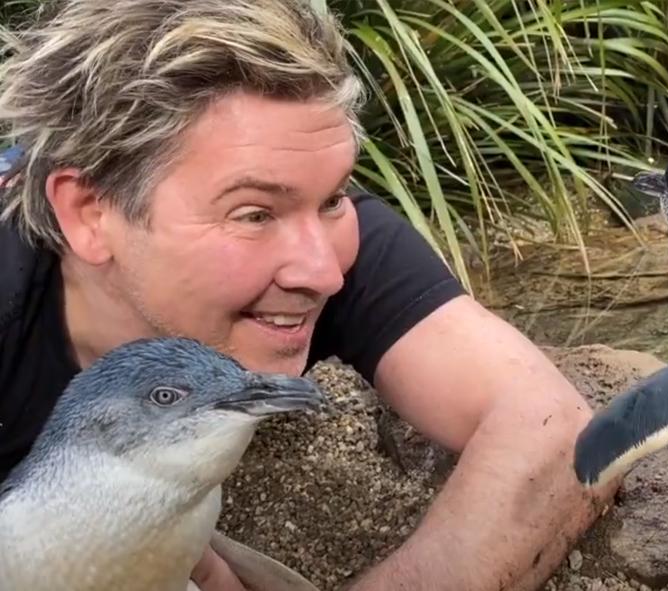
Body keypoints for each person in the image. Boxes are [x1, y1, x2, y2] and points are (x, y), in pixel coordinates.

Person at [0, 1, 620, 589]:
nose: (324, 272)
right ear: (90, 213)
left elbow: (552, 431)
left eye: (333, 197)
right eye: (253, 214)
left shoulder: (323, 233)